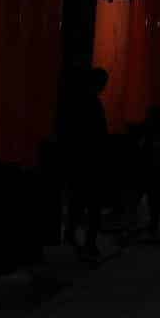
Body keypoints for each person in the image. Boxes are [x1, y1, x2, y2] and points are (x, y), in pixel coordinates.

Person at [57, 65, 109, 262]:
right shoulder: (91, 103)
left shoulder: (79, 102)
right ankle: (88, 241)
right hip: (89, 159)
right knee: (91, 203)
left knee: (78, 201)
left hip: (80, 159)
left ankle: (74, 234)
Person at [137, 104, 160, 239]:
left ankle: (152, 227)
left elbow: (143, 151)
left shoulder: (149, 132)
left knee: (152, 200)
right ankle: (153, 226)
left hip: (151, 170)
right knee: (154, 200)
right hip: (157, 170)